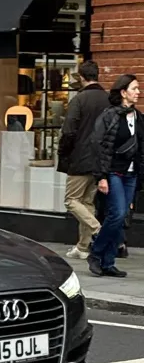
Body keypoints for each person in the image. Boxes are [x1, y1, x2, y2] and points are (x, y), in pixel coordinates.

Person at [89, 74, 144, 279]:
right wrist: (101, 177)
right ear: (123, 92)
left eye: (138, 89)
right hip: (113, 172)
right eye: (134, 88)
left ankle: (108, 262)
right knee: (117, 214)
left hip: (131, 175)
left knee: (120, 218)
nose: (138, 92)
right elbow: (99, 146)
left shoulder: (138, 117)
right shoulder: (109, 116)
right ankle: (95, 252)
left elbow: (141, 148)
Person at [57, 61, 109, 260]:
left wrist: (64, 153)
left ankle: (98, 230)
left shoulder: (79, 100)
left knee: (71, 200)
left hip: (80, 158)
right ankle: (83, 247)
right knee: (87, 202)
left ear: (81, 77)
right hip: (100, 160)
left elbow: (68, 130)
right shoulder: (107, 99)